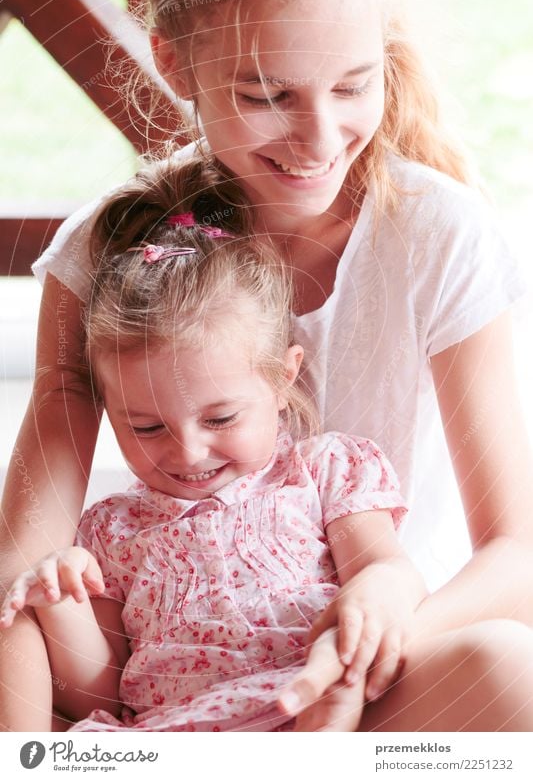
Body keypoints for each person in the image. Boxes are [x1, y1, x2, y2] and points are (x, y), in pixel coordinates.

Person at [2, 0, 533, 732]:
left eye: (355, 86)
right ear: (174, 63)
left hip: (387, 666)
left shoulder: (436, 233)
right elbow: (25, 565)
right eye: (266, 96)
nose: (319, 142)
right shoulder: (105, 250)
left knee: (508, 668)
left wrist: (356, 648)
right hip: (166, 698)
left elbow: (516, 555)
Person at [0, 159, 423, 732]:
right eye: (146, 428)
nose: (189, 452)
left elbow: (390, 569)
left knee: (494, 664)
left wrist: (374, 597)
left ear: (281, 378)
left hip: (310, 694)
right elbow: (96, 691)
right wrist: (61, 596)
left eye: (221, 418)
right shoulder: (111, 531)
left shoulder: (324, 471)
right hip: (174, 735)